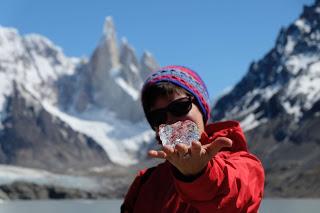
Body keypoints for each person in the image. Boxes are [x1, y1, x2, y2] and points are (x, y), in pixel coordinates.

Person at [121, 65, 264, 213]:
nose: (170, 120)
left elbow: (235, 198)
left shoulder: (243, 166)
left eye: (180, 107)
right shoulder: (145, 182)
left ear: (202, 110)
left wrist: (201, 174)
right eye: (157, 117)